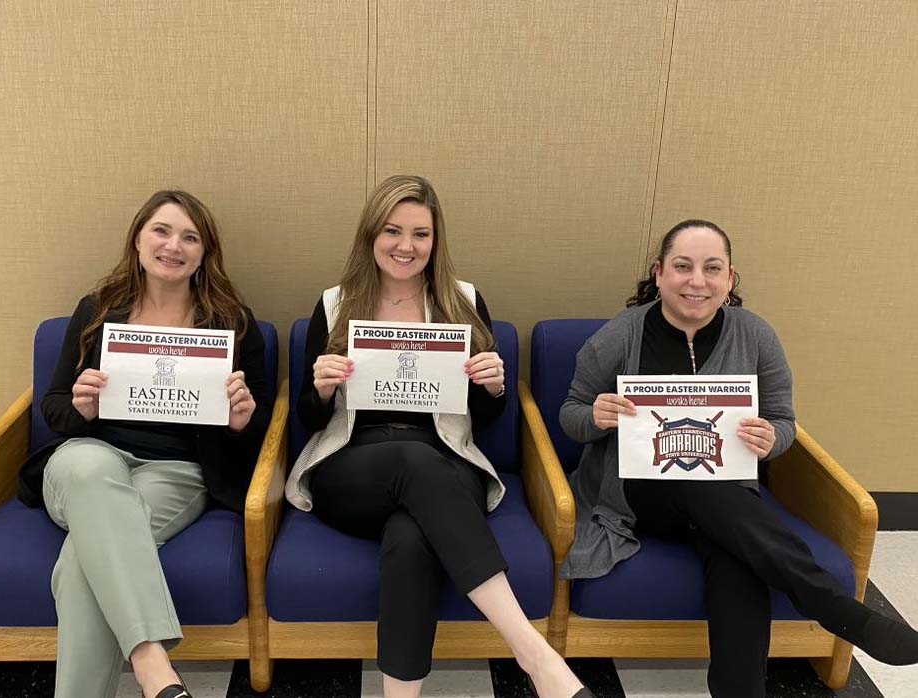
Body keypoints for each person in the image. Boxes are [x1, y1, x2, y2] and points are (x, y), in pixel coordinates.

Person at [559, 219, 918, 697]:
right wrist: (597, 416)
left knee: (738, 556)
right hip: (636, 493)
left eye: (712, 268)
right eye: (683, 267)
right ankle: (837, 609)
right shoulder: (620, 335)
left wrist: (772, 438)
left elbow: (785, 423)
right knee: (705, 492)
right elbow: (570, 412)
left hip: (726, 500)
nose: (697, 281)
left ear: (730, 279)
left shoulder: (756, 336)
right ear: (659, 273)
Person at [285, 175, 593, 698]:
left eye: (420, 234)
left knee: (410, 539)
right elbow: (310, 419)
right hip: (351, 466)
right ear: (370, 236)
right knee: (409, 461)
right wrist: (318, 389)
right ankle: (534, 653)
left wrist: (492, 389)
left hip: (446, 460)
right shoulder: (334, 304)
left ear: (436, 240)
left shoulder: (464, 301)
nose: (406, 246)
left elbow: (484, 417)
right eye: (392, 231)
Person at [17, 190, 271, 698]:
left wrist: (242, 422)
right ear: (137, 238)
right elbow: (54, 405)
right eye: (162, 230)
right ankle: (152, 665)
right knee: (88, 467)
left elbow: (256, 438)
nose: (173, 245)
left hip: (175, 472)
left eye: (190, 237)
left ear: (205, 254)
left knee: (79, 564)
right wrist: (82, 407)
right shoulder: (99, 311)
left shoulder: (232, 324)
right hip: (87, 457)